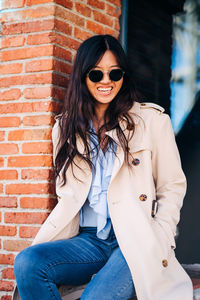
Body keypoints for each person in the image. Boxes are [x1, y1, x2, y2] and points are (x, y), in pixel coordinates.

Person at [13, 34, 193, 300]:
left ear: (123, 75)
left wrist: (160, 236)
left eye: (115, 73)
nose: (106, 81)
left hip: (135, 238)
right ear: (83, 77)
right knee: (28, 263)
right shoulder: (65, 128)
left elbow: (172, 186)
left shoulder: (152, 121)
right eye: (96, 74)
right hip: (88, 241)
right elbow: (67, 192)